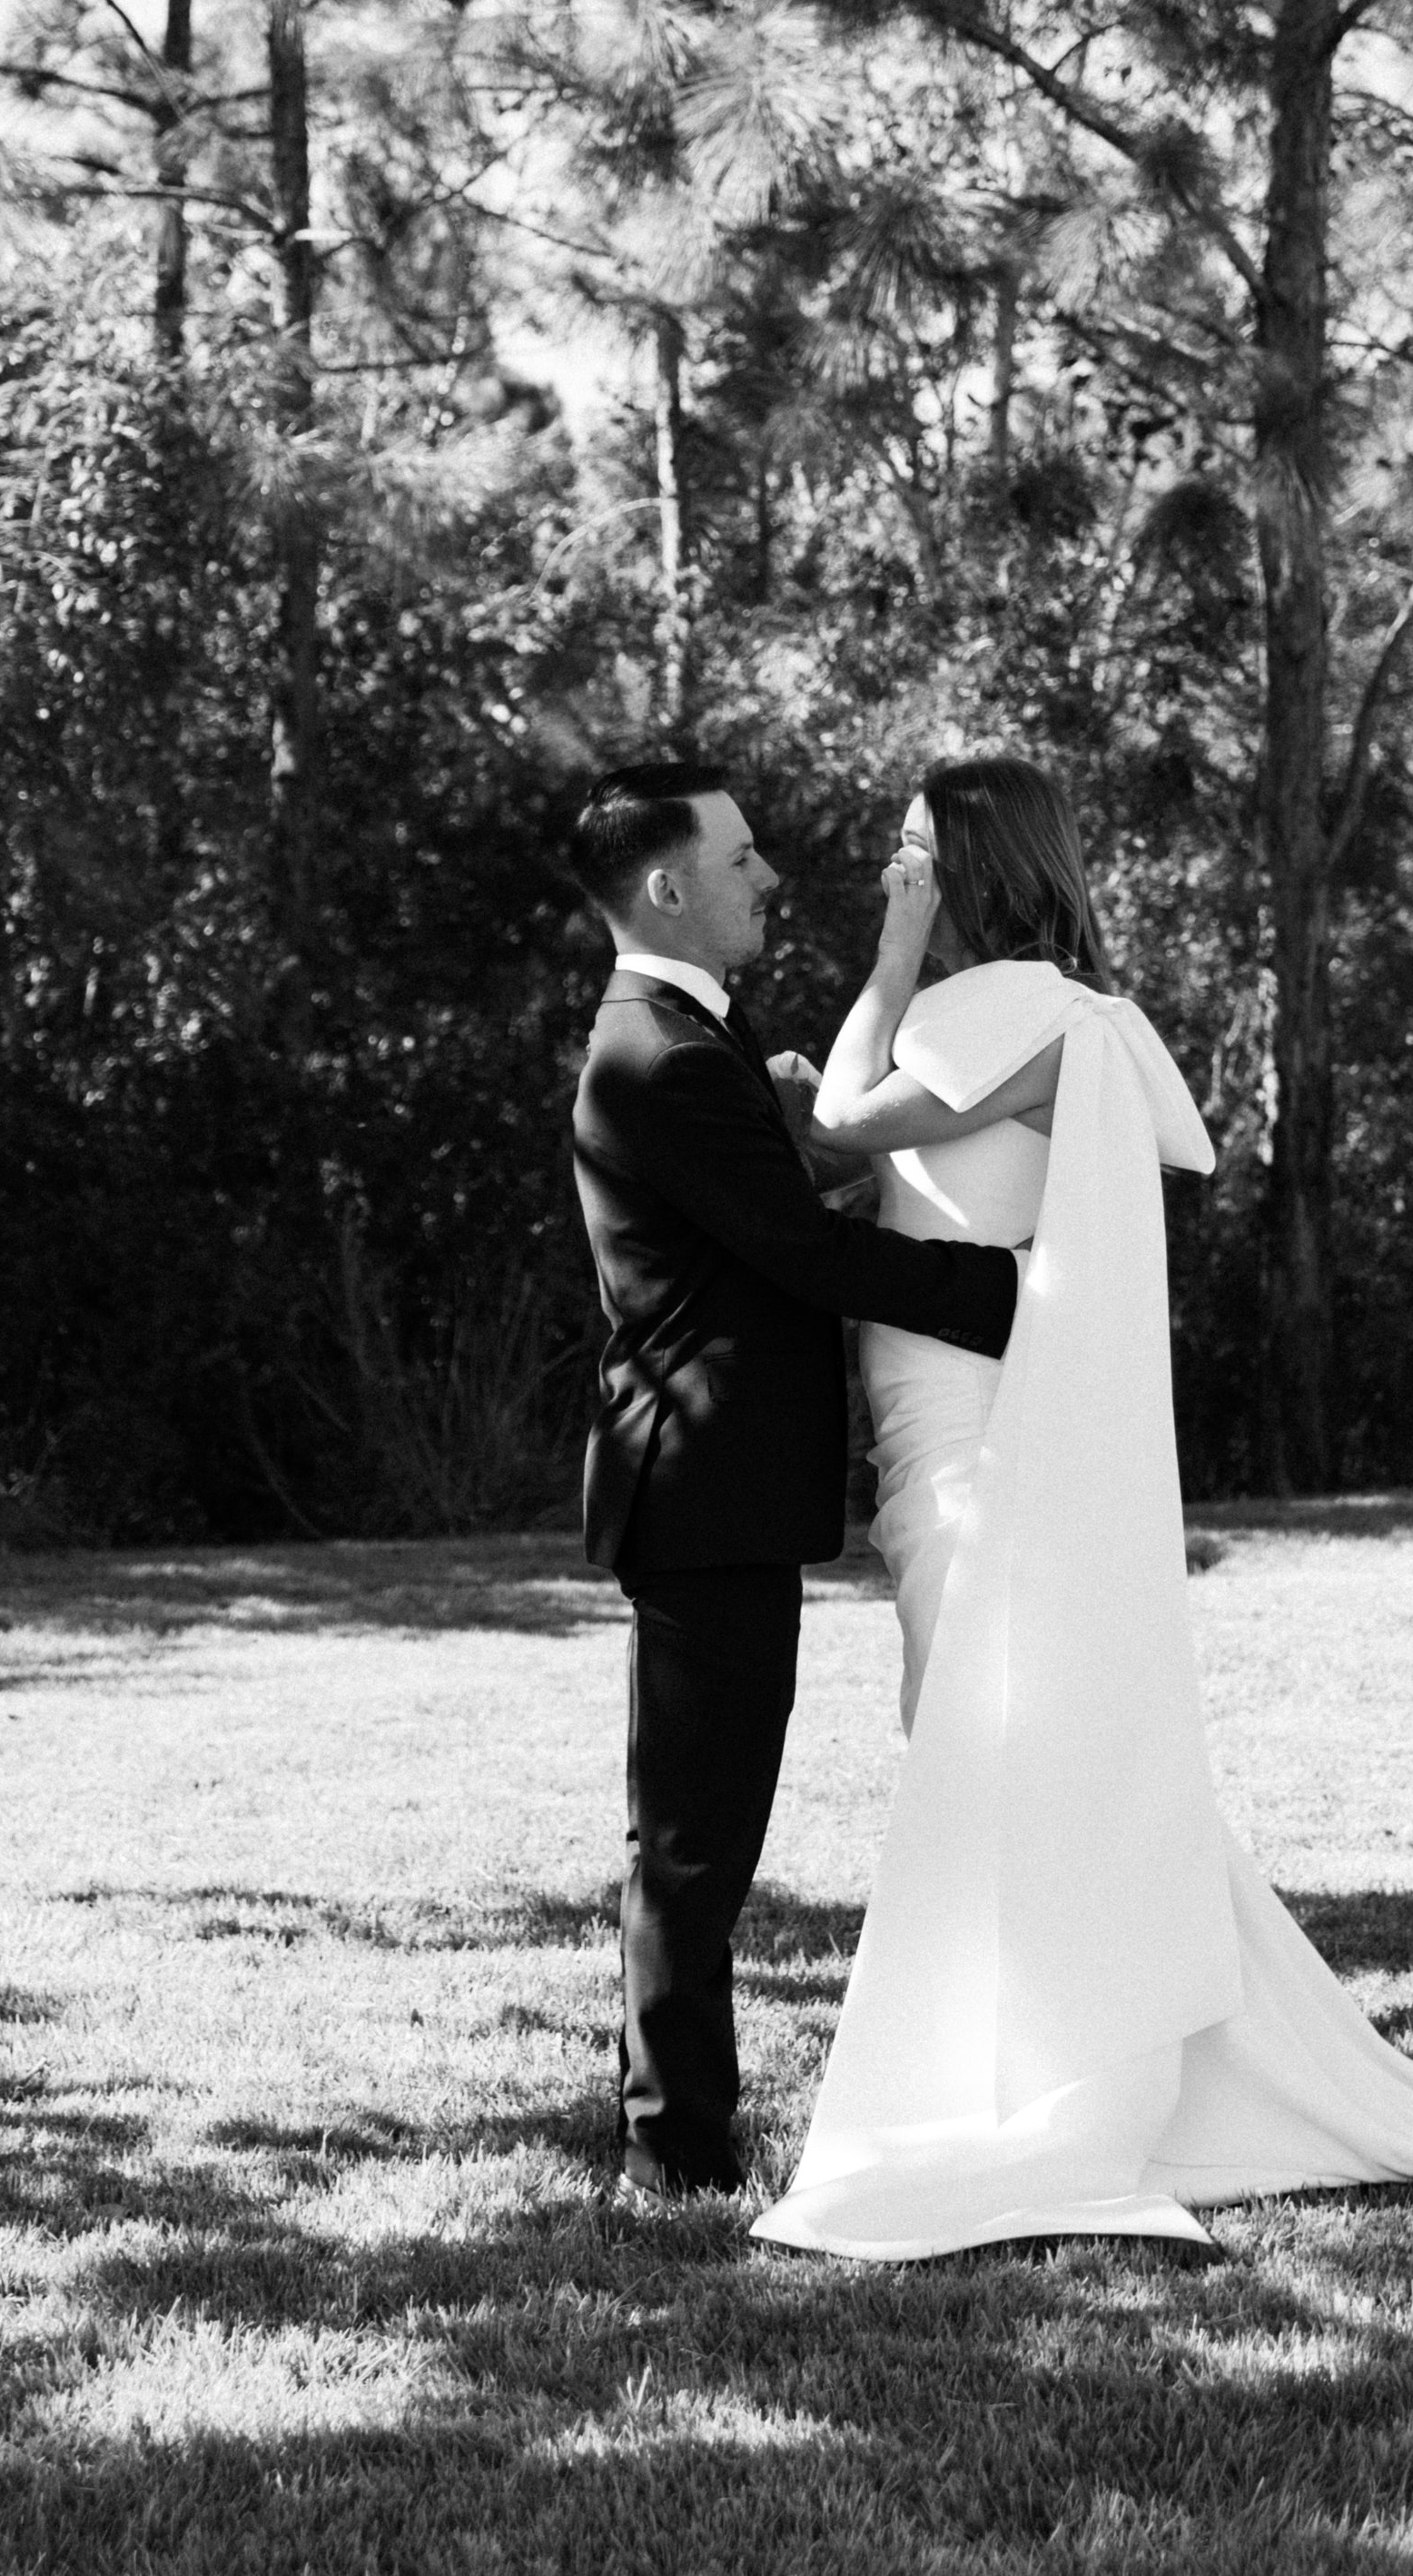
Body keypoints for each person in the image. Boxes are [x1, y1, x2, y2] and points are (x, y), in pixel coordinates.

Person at [751, 754, 1413, 2259]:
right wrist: (867, 1025)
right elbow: (886, 1127)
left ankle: (1079, 2069)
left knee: (987, 1734)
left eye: (911, 852)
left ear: (977, 864)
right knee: (972, 1732)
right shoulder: (1044, 1014)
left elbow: (844, 1132)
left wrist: (877, 976)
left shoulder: (1007, 1006)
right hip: (929, 1414)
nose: (893, 876)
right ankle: (1045, 2027)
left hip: (970, 1429)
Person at [567, 761, 1023, 2206]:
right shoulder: (658, 1053)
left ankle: (682, 2134)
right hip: (698, 1487)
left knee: (709, 1828)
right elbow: (805, 1255)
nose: (770, 877)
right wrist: (1021, 1288)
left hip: (727, 1489)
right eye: (744, 857)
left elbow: (788, 1207)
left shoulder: (699, 1036)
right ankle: (675, 2153)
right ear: (667, 887)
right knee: (695, 1840)